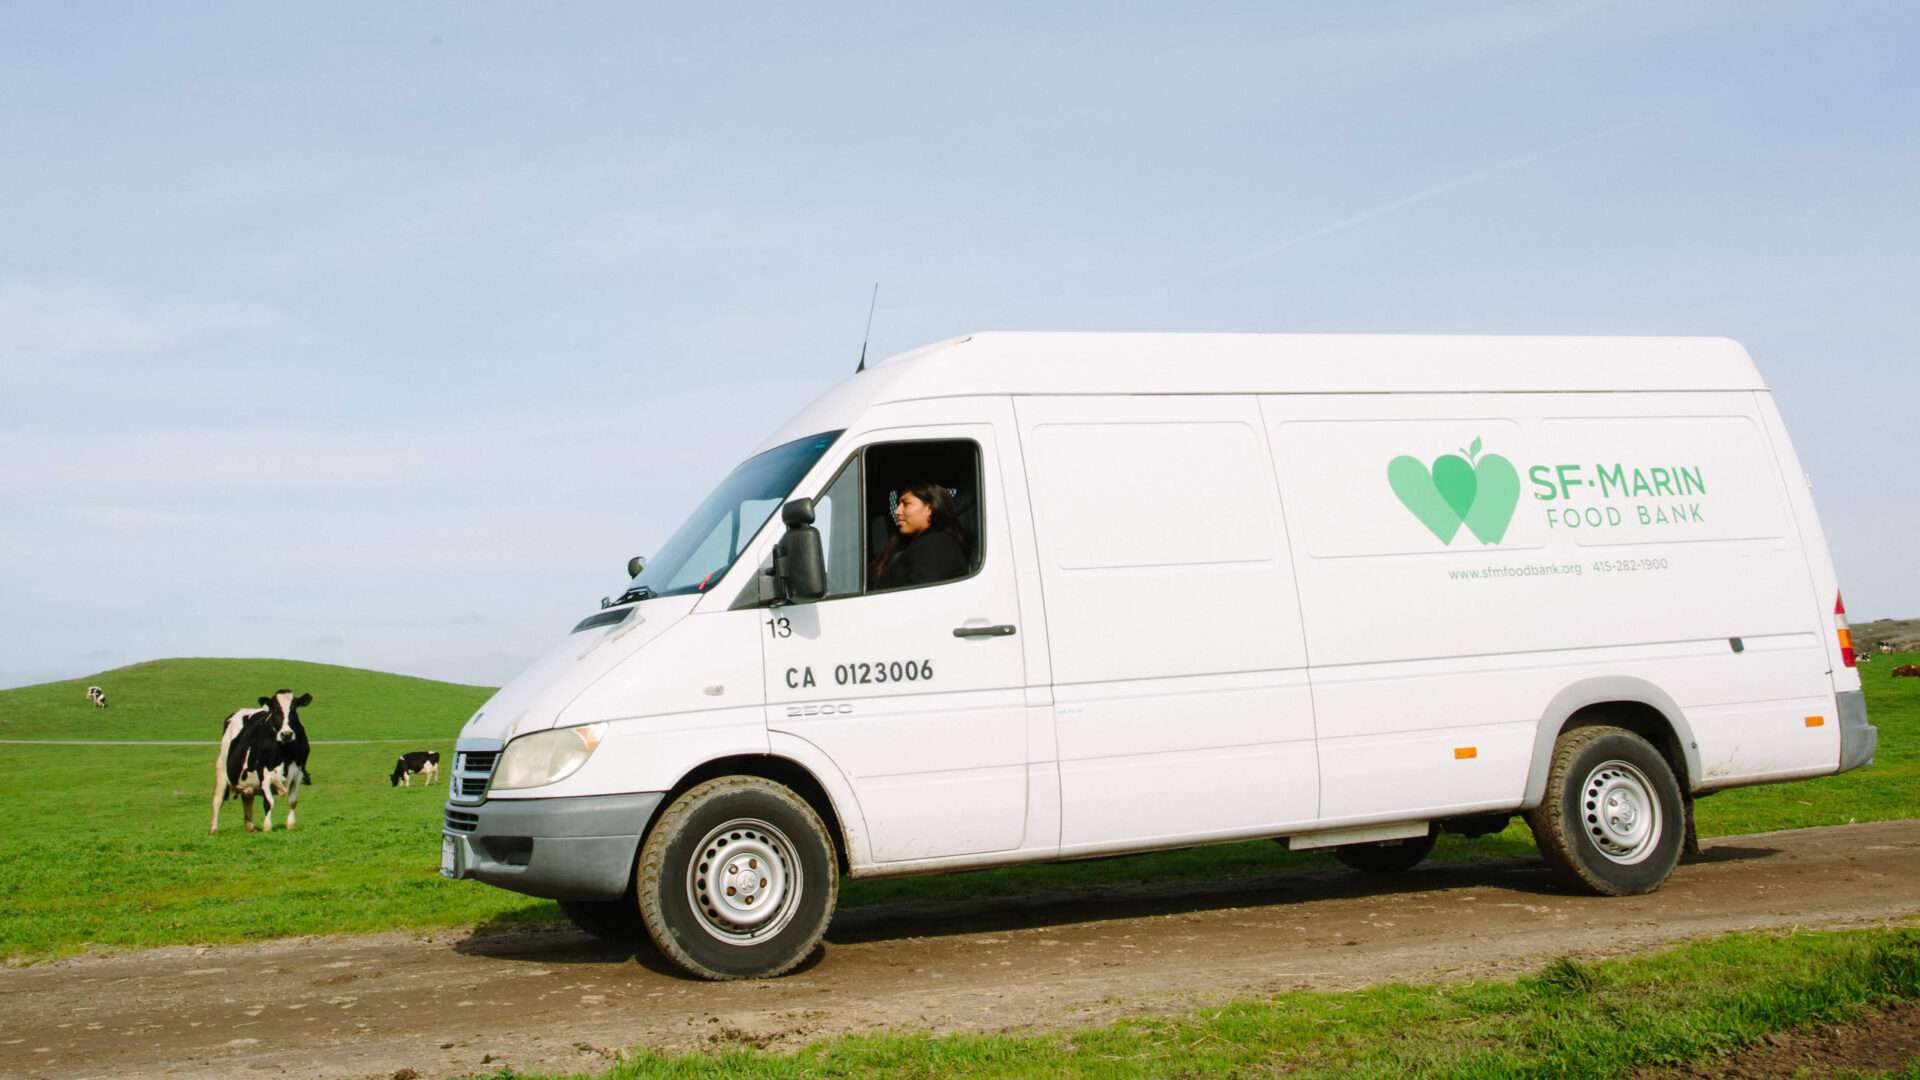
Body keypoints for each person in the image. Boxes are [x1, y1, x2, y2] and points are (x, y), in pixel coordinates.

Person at [870, 481, 969, 590]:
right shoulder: (921, 543)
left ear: (929, 509)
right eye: (898, 504)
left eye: (906, 504)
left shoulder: (935, 545)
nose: (897, 511)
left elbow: (920, 597)